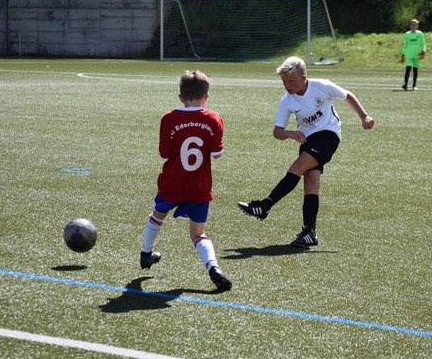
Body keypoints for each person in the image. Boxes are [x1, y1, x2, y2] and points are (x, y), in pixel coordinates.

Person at [238, 56, 375, 247]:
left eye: (291, 81)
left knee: (297, 167)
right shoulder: (287, 100)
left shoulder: (321, 86)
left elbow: (347, 96)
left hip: (329, 135)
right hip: (307, 140)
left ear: (304, 78)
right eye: (284, 81)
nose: (287, 85)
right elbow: (277, 132)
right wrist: (289, 133)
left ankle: (264, 205)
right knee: (310, 185)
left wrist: (364, 116)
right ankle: (310, 233)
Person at [140, 70, 232, 292]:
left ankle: (145, 253)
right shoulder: (213, 119)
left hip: (172, 182)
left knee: (158, 215)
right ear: (206, 96)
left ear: (180, 96)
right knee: (198, 234)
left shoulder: (169, 118)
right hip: (198, 185)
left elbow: (164, 155)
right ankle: (213, 268)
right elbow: (216, 155)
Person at [401, 19, 426, 91]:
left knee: (415, 70)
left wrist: (423, 51)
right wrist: (403, 54)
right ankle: (405, 85)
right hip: (409, 54)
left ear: (417, 26)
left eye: (415, 24)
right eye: (412, 24)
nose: (413, 26)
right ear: (410, 25)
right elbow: (405, 44)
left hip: (417, 54)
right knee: (408, 69)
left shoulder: (420, 34)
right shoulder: (407, 34)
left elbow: (423, 43)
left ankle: (414, 85)